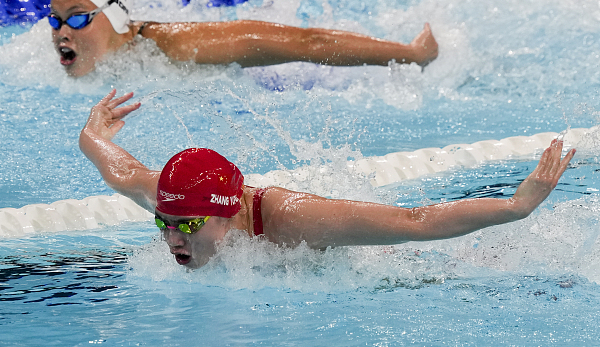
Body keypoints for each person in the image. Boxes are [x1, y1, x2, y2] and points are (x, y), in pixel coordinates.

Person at [79, 90, 575, 269]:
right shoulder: (172, 201)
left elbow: (415, 219)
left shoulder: (294, 221)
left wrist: (516, 207)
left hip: (382, 266)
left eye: (185, 226)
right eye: (164, 222)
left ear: (226, 212)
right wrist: (91, 133)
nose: (170, 236)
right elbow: (120, 170)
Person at [50, 0, 439, 77]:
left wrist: (410, 53)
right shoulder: (49, 58)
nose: (61, 32)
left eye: (78, 19)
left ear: (115, 15)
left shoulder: (179, 45)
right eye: (55, 21)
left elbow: (307, 44)